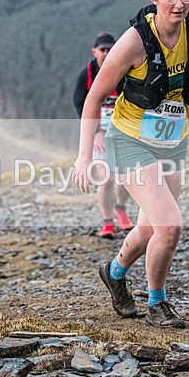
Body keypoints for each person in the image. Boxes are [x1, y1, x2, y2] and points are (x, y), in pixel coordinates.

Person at [72, 0, 189, 328]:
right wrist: (83, 156)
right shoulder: (133, 43)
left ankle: (113, 273)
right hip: (128, 141)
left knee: (149, 229)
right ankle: (157, 302)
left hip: (172, 144)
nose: (179, 4)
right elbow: (93, 98)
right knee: (171, 226)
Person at [73, 31, 135, 238]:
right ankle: (108, 223)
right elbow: (80, 105)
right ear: (94, 52)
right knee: (106, 178)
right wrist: (96, 132)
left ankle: (121, 209)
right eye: (103, 50)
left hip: (123, 133)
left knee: (126, 178)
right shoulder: (87, 74)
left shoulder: (124, 70)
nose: (107, 53)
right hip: (98, 135)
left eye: (110, 49)